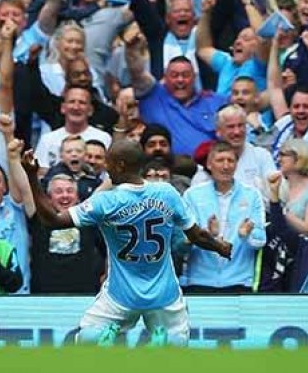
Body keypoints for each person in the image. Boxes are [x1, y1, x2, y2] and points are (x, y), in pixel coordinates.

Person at [20, 140, 231, 345]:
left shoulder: (106, 202)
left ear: (120, 165)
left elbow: (53, 221)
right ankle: (161, 342)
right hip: (164, 294)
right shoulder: (167, 193)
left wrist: (31, 175)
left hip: (121, 294)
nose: (106, 167)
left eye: (109, 161)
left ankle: (107, 335)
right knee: (175, 347)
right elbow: (197, 235)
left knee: (87, 340)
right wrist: (219, 247)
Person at [181, 141, 265, 293]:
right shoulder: (192, 195)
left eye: (230, 161)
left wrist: (246, 235)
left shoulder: (252, 195)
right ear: (209, 164)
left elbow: (261, 240)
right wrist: (205, 235)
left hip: (239, 280)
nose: (226, 166)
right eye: (220, 160)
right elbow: (181, 242)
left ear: (237, 165)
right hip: (200, 279)